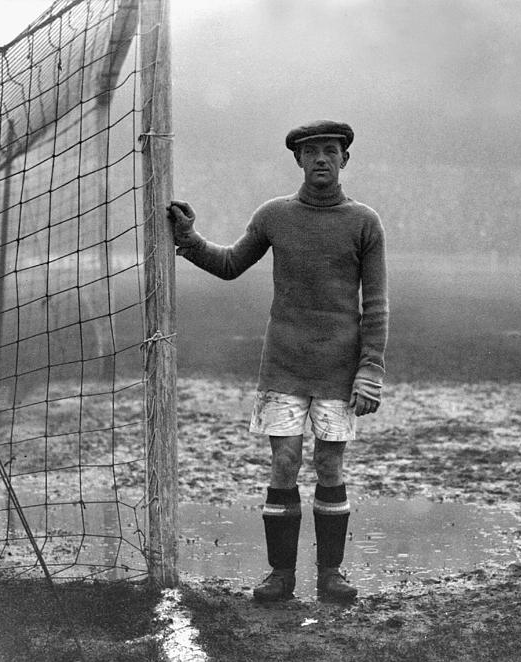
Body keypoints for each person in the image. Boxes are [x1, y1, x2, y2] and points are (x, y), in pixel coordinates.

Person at [167, 120, 389, 603]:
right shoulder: (275, 216)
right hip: (284, 363)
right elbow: (229, 264)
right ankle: (280, 576)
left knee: (329, 465)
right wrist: (189, 239)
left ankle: (331, 573)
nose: (322, 160)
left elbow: (376, 303)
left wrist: (371, 368)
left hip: (339, 367)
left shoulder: (365, 222)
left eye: (331, 151)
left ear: (345, 159)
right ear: (299, 160)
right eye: (312, 152)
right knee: (284, 462)